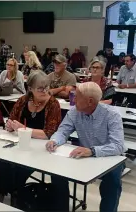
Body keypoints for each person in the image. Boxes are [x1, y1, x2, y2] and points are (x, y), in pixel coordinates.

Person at [46, 82, 127, 212]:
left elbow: (118, 146)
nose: (73, 99)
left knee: (113, 181)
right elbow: (63, 131)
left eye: (77, 96)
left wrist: (92, 151)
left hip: (109, 157)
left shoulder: (111, 115)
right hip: (84, 156)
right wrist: (54, 140)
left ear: (90, 101)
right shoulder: (74, 112)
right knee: (57, 174)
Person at [0, 71, 67, 207]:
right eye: (40, 88)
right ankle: (0, 200)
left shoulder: (53, 104)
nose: (45, 91)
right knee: (2, 162)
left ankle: (17, 199)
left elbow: (49, 133)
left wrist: (23, 129)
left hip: (42, 149)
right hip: (20, 144)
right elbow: (11, 119)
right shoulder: (23, 100)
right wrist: (10, 125)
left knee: (19, 168)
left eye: (47, 87)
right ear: (30, 88)